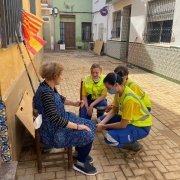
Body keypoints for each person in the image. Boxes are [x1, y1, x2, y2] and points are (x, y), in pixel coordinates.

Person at [33, 62, 97, 175]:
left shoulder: (47, 86)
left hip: (60, 121)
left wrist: (74, 103)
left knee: (90, 125)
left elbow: (60, 98)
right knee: (88, 133)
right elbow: (55, 119)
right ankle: (80, 164)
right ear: (54, 76)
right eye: (61, 75)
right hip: (53, 133)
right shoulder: (46, 93)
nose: (63, 78)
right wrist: (77, 126)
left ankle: (80, 153)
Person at [97, 73, 152, 153]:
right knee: (100, 120)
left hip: (141, 127)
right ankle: (121, 134)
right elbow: (114, 110)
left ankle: (136, 146)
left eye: (108, 88)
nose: (108, 90)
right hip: (130, 121)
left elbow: (122, 125)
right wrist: (101, 123)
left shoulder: (129, 99)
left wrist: (103, 126)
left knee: (109, 138)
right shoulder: (118, 92)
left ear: (116, 85)